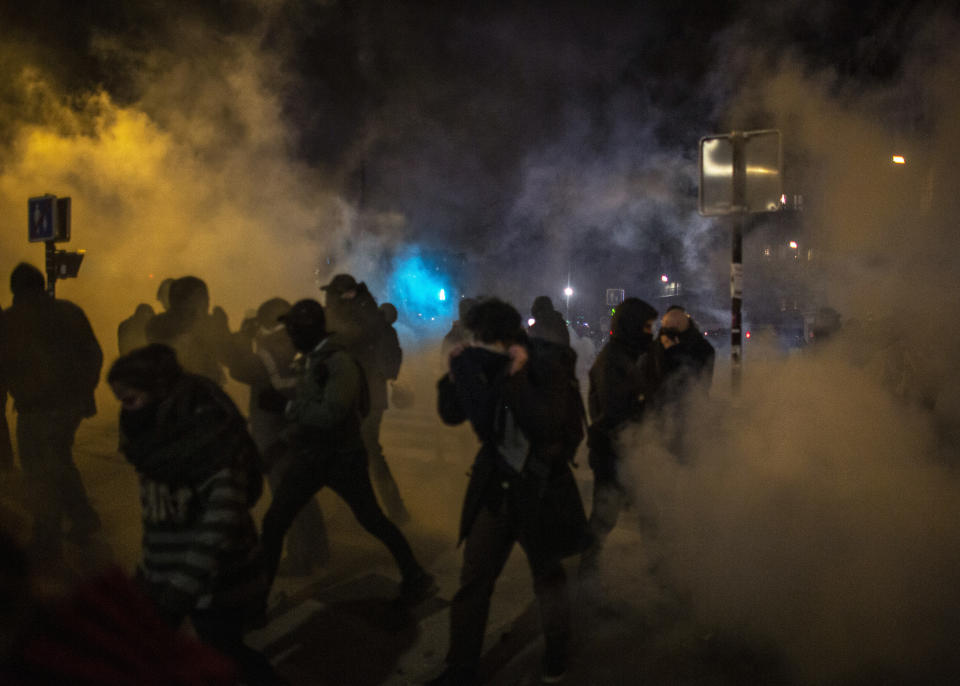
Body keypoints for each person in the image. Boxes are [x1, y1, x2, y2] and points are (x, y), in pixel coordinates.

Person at [107, 344, 286, 685]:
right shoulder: (158, 441)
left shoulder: (206, 441)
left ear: (159, 391)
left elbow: (221, 520)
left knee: (226, 654)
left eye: (130, 400)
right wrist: (149, 573)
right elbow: (161, 519)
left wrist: (178, 591)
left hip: (221, 583)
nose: (126, 412)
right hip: (175, 581)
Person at [432, 298, 589, 686]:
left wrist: (516, 376)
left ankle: (556, 654)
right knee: (474, 580)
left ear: (502, 337)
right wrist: (454, 376)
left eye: (483, 340)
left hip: (541, 489)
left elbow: (546, 424)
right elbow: (454, 415)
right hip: (496, 487)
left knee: (548, 577)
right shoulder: (485, 362)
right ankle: (461, 668)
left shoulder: (548, 362)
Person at [258, 299, 436, 604]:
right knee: (275, 523)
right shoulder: (316, 358)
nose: (290, 337)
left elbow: (331, 413)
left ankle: (416, 574)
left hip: (340, 458)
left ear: (310, 331)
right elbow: (315, 409)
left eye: (294, 331)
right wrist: (284, 442)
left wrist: (286, 408)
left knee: (371, 519)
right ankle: (257, 600)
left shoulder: (338, 362)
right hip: (316, 455)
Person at [0, 263, 103, 562]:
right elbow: (93, 354)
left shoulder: (12, 320)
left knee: (38, 467)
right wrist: (85, 392)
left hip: (36, 407)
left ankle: (49, 531)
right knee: (58, 458)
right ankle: (81, 516)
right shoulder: (69, 312)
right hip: (67, 405)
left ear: (16, 290)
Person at [226, 297, 330, 576]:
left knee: (285, 496)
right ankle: (319, 550)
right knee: (303, 492)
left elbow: (240, 370)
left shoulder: (271, 348)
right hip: (298, 425)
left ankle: (299, 557)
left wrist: (241, 338)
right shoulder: (303, 343)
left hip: (274, 431)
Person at [321, 273, 411, 522]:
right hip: (364, 394)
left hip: (363, 396)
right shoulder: (367, 318)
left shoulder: (362, 321)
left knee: (366, 449)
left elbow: (362, 347)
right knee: (355, 450)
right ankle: (362, 508)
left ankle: (392, 510)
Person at [579, 298, 658, 577]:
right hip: (615, 454)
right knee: (604, 517)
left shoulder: (625, 356)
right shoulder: (612, 361)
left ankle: (660, 568)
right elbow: (615, 414)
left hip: (624, 453)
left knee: (649, 512)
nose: (651, 333)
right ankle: (586, 575)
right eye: (647, 327)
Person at [641, 305, 715, 460]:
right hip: (660, 417)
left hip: (690, 417)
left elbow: (698, 381)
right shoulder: (654, 348)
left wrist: (675, 352)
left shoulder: (700, 347)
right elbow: (652, 380)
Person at [145, 276, 231, 385]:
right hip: (190, 387)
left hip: (186, 387)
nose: (207, 303)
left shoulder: (156, 324)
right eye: (204, 299)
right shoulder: (159, 325)